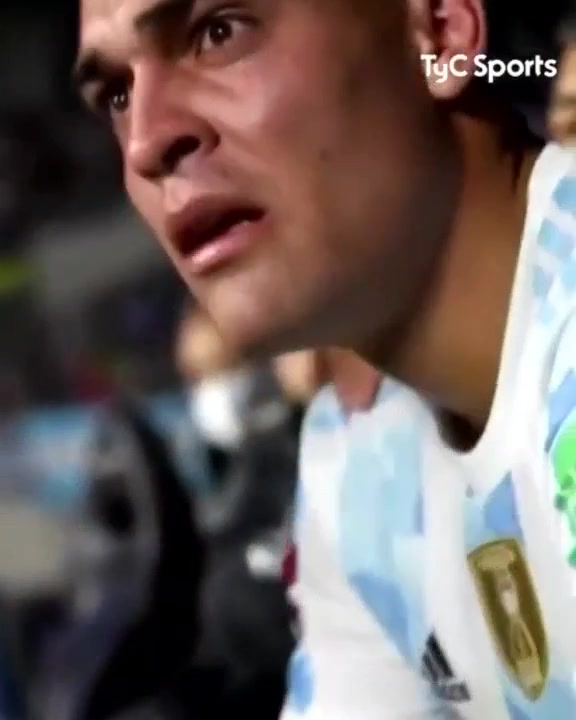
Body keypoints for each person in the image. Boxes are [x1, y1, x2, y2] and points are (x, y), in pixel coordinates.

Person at [76, 0, 576, 717]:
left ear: (439, 32)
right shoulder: (354, 464)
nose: (145, 143)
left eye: (218, 32)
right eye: (118, 96)